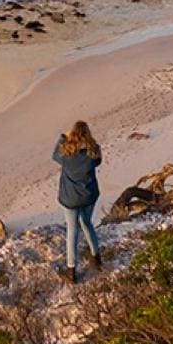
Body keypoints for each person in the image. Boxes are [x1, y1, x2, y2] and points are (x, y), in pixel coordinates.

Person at [52, 120, 102, 283]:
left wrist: (62, 137)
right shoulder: (93, 152)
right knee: (87, 224)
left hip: (71, 198)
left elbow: (54, 155)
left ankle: (71, 270)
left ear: (73, 134)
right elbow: (98, 160)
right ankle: (96, 258)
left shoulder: (66, 153)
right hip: (89, 196)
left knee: (72, 231)